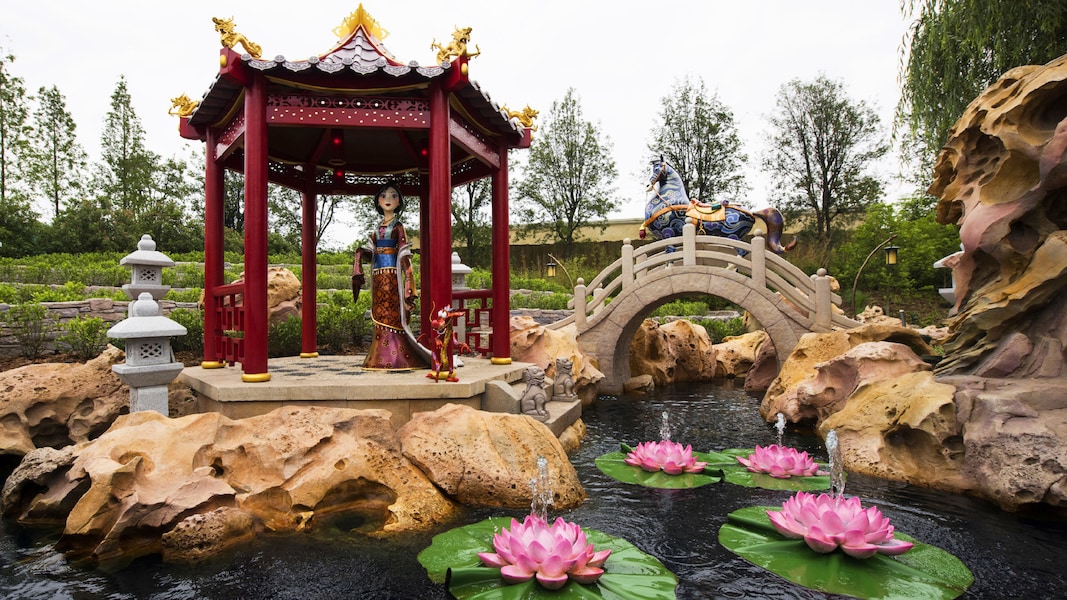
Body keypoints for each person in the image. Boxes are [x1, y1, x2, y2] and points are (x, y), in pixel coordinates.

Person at [352, 182, 431, 370]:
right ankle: (378, 353)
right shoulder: (376, 228)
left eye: (393, 196)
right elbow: (371, 252)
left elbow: (404, 253)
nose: (388, 199)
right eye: (384, 196)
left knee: (392, 312)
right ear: (378, 201)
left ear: (399, 202)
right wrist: (359, 255)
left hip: (392, 275)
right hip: (378, 277)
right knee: (379, 311)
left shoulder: (398, 226)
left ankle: (398, 354)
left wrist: (409, 280)